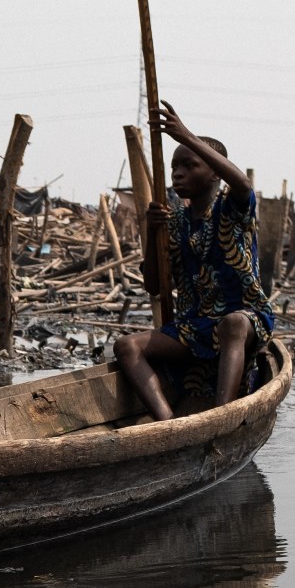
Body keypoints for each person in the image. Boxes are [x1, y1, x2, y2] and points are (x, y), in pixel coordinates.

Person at [114, 102, 274, 417]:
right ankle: (167, 423)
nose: (178, 172)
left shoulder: (231, 208)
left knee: (231, 324)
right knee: (126, 346)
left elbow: (242, 184)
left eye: (189, 165)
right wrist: (152, 230)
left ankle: (220, 417)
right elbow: (154, 284)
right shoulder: (176, 222)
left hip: (246, 320)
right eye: (175, 166)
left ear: (215, 172)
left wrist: (184, 135)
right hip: (194, 328)